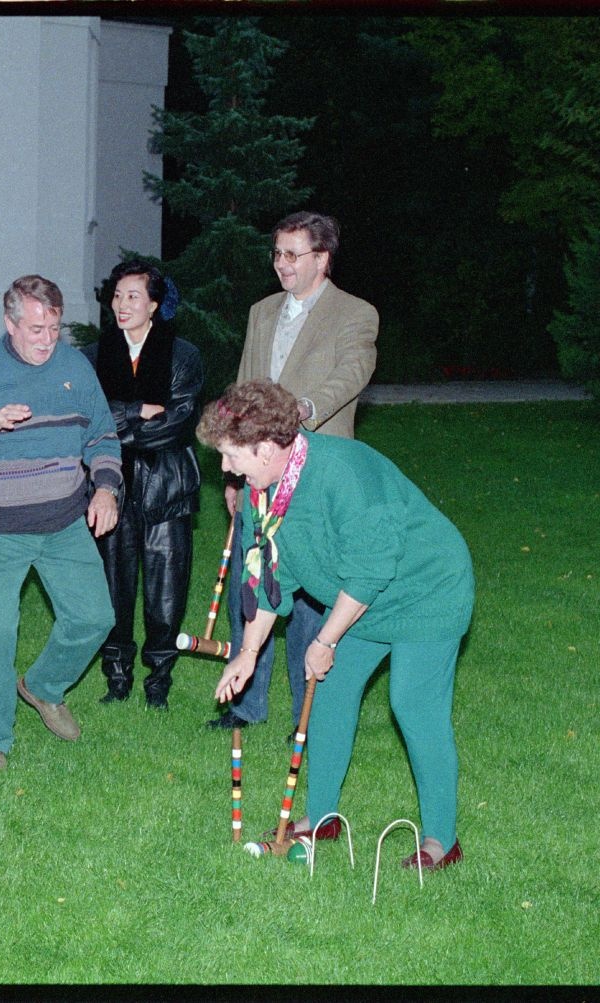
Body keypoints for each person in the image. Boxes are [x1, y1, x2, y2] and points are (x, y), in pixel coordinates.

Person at [200, 379, 474, 870]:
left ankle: (441, 839)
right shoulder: (261, 491)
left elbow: (372, 568)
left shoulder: (346, 474)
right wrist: (246, 653)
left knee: (413, 705)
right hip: (361, 596)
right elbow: (265, 576)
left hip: (425, 589)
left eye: (229, 455)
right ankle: (321, 816)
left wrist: (325, 638)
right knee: (327, 690)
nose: (225, 467)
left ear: (265, 449)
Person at [0, 275, 121, 770]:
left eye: (54, 328)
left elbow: (102, 436)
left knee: (95, 617)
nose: (46, 340)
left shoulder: (75, 370)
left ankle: (42, 687)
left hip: (62, 519)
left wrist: (105, 487)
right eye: (35, 329)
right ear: (10, 323)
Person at [210, 210, 379, 734]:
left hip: (316, 468)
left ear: (321, 259)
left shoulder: (355, 313)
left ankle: (308, 710)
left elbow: (354, 373)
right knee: (252, 581)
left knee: (309, 591)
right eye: (277, 253)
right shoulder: (262, 312)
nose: (281, 264)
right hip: (258, 468)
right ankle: (245, 703)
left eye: (292, 254)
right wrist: (234, 475)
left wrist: (303, 409)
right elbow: (242, 391)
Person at [81, 261, 203, 708]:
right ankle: (116, 677)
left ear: (155, 303)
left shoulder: (183, 356)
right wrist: (138, 412)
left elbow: (176, 423)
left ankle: (159, 683)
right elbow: (89, 423)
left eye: (133, 296)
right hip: (110, 488)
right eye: (117, 295)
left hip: (166, 488)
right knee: (113, 586)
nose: (122, 304)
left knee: (164, 591)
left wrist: (118, 420)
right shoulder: (94, 357)